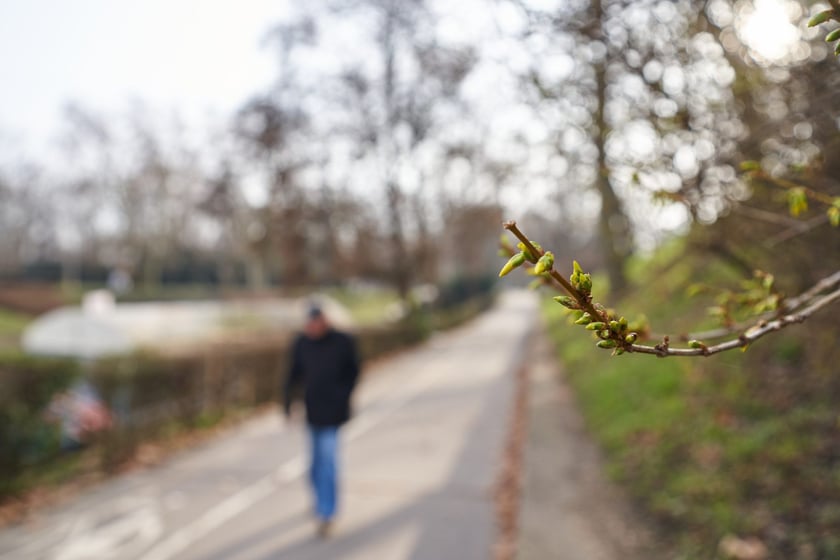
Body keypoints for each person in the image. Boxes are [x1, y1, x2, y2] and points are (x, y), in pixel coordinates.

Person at [283, 303, 361, 538]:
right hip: (312, 410)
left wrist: (343, 396)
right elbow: (292, 375)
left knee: (328, 460)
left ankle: (327, 512)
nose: (312, 328)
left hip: (334, 412)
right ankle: (319, 501)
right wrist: (288, 403)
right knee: (314, 462)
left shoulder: (342, 341)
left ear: (324, 321)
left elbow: (354, 371)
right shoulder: (301, 343)